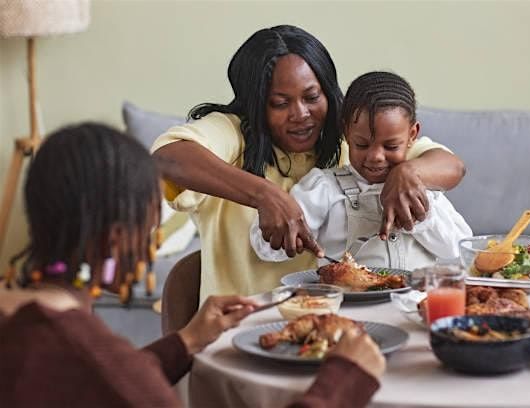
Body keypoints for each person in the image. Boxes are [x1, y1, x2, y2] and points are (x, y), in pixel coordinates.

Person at [0, 123, 385, 408]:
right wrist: (341, 383)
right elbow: (107, 378)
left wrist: (184, 342)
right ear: (115, 241)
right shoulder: (103, 365)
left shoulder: (21, 325)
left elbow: (79, 386)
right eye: (150, 229)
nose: (152, 246)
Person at [152, 24, 465, 300]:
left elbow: (450, 165)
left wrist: (410, 172)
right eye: (280, 103)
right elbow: (168, 157)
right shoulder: (232, 133)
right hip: (240, 327)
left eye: (312, 97)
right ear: (256, 103)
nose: (300, 114)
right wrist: (264, 194)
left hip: (334, 325)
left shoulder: (357, 139)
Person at [251, 71, 472, 270]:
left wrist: (423, 217)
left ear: (412, 135)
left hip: (418, 304)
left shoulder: (424, 189)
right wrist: (282, 236)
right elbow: (266, 249)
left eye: (390, 146)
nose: (375, 156)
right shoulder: (324, 187)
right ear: (346, 132)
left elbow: (460, 252)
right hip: (348, 305)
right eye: (362, 145)